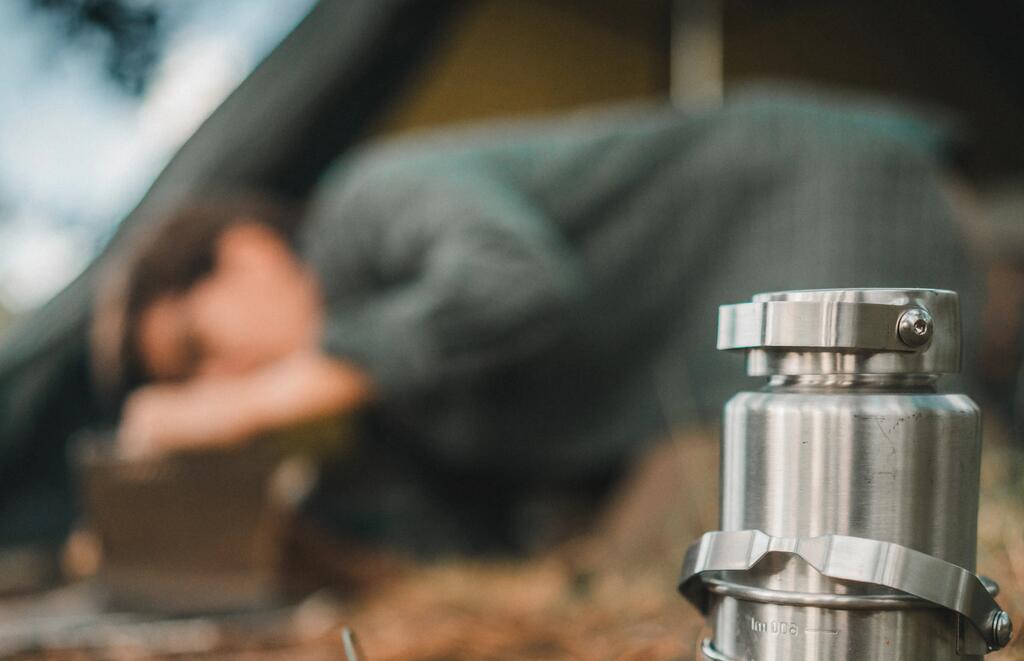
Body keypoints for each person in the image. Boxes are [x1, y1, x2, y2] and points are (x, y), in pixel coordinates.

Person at [25, 90, 991, 556]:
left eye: (198, 351)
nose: (217, 386)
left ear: (244, 254)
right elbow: (468, 551)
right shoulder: (385, 403)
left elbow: (513, 283)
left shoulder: (370, 203)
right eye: (192, 382)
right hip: (720, 371)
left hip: (814, 199)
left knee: (893, 489)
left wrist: (260, 400)